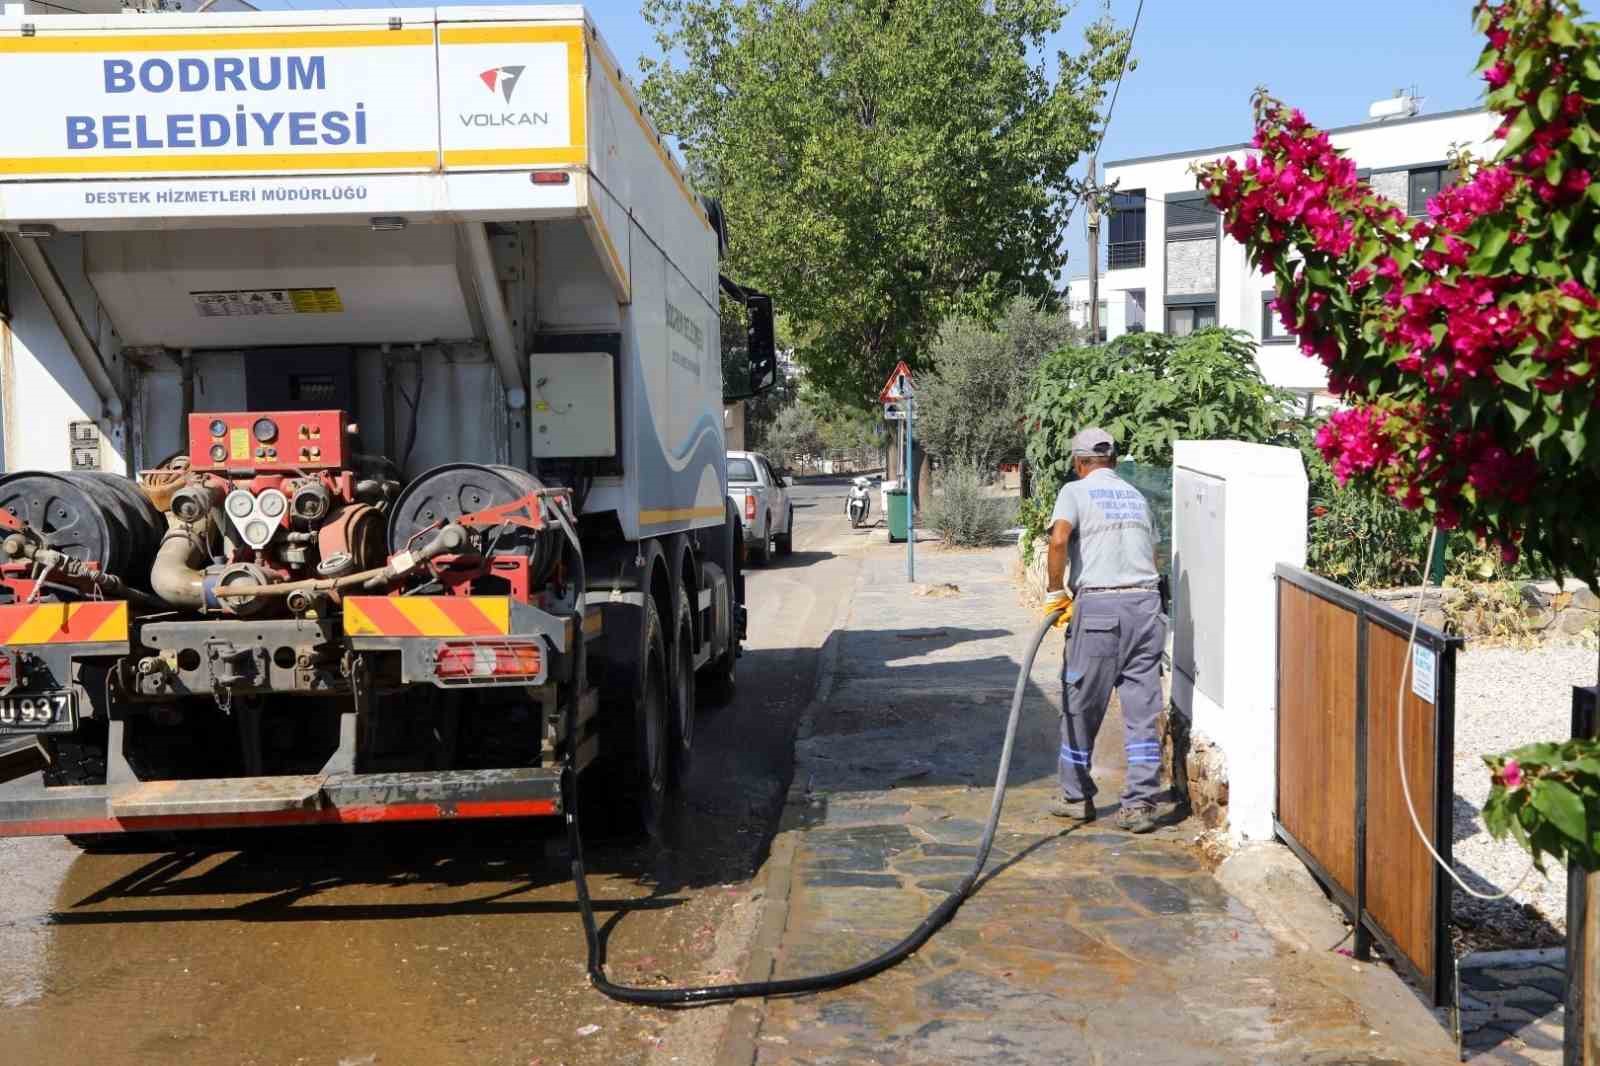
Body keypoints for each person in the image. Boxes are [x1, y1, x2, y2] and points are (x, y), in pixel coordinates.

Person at [1042, 427, 1166, 833]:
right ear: (1113, 462)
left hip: (1099, 610)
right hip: (1147, 607)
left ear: (1080, 464)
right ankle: (1141, 805)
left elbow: (1059, 540)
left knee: (1081, 703)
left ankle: (1077, 798)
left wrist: (1053, 591)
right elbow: (1152, 552)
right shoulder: (1136, 496)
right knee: (1142, 711)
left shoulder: (1075, 492)